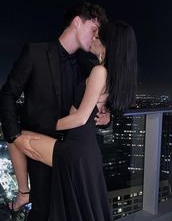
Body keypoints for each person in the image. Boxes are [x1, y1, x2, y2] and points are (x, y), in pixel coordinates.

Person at [15, 20, 137, 221]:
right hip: (85, 150)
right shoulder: (113, 74)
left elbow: (80, 118)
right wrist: (107, 117)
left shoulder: (100, 72)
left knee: (15, 137)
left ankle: (24, 194)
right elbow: (98, 109)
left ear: (109, 45)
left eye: (98, 37)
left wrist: (44, 125)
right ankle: (24, 194)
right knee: (81, 211)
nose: (94, 39)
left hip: (76, 148)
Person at [0, 2, 110, 221]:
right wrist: (15, 136)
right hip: (40, 151)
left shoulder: (87, 67)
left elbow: (97, 104)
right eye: (94, 29)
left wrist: (106, 119)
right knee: (43, 213)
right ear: (77, 22)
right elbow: (7, 95)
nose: (96, 37)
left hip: (72, 152)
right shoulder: (35, 53)